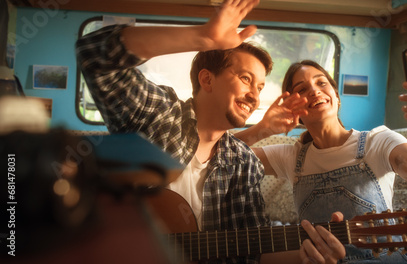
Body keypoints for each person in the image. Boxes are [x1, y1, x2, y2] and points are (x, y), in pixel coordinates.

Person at [76, 1, 345, 263]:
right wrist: (201, 37)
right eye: (245, 79)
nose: (254, 95)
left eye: (260, 88)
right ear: (206, 79)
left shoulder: (244, 163)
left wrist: (307, 256)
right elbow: (94, 53)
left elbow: (254, 249)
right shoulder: (159, 116)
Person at [236, 60, 407, 263]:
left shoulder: (378, 142)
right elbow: (221, 154)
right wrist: (262, 129)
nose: (314, 90)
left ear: (336, 96)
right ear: (295, 109)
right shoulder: (290, 156)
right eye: (302, 89)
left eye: (321, 83)